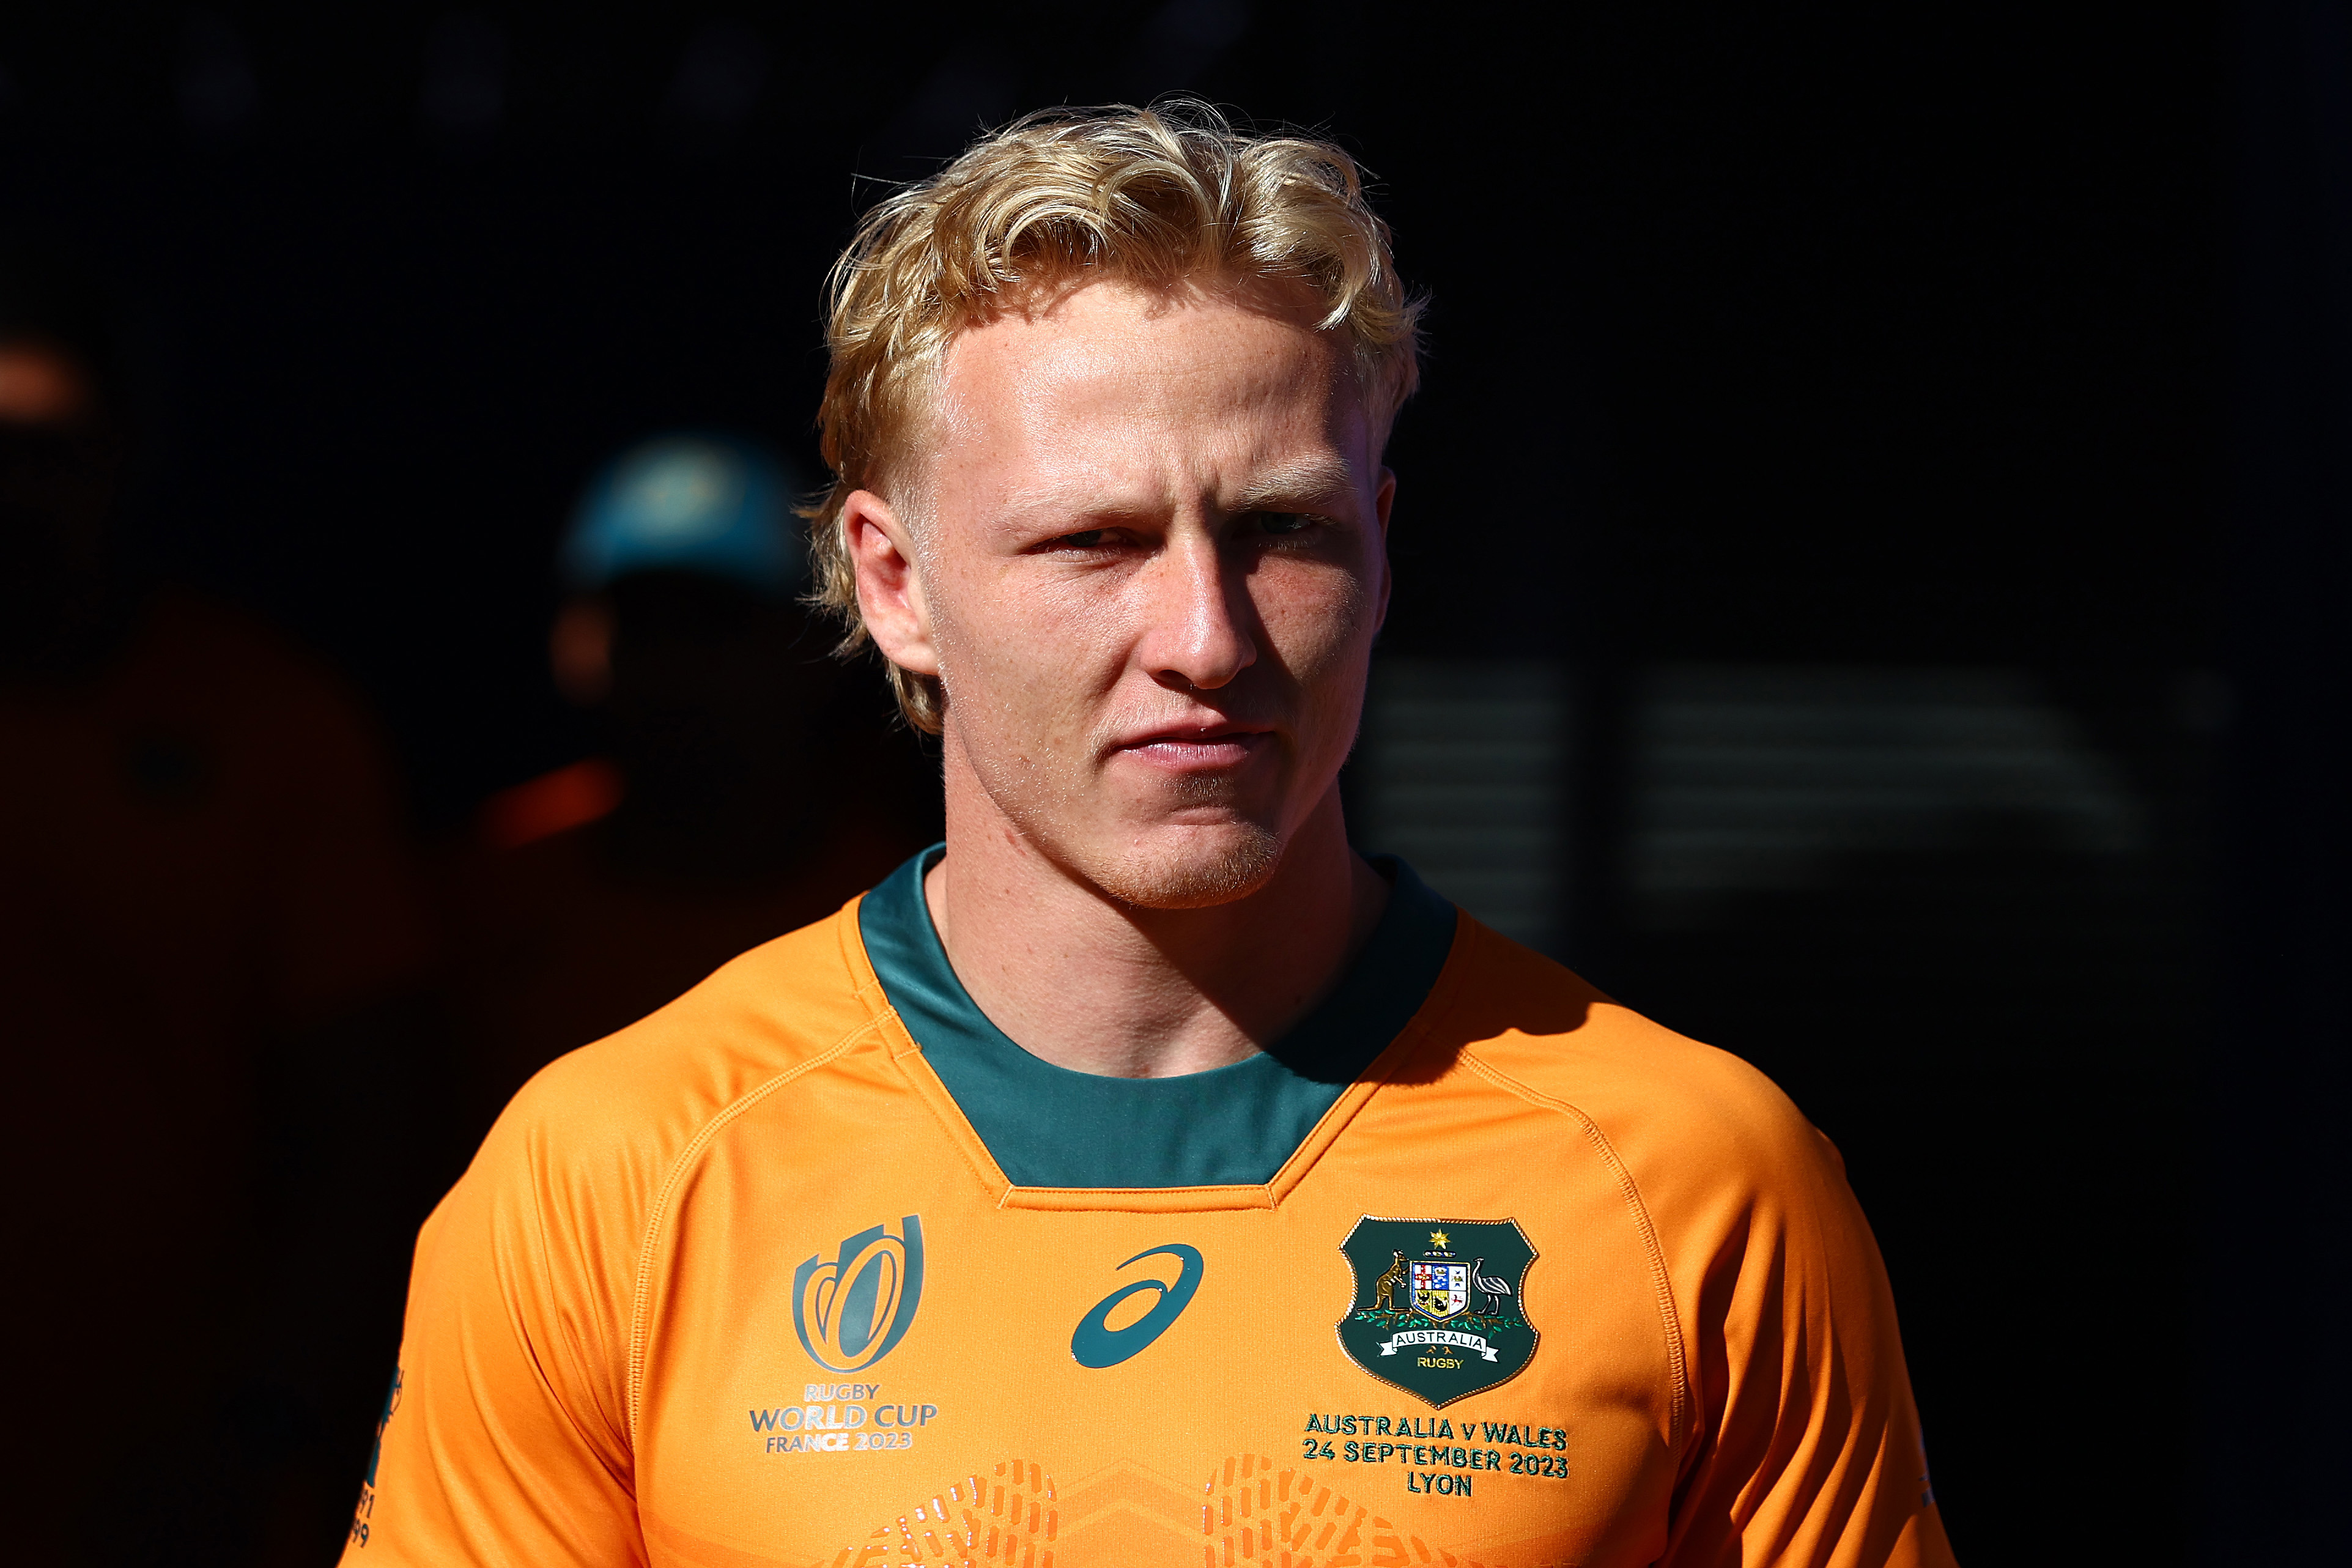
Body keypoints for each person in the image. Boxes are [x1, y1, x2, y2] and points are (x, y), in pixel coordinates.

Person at [349, 105, 1958, 1567]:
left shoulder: (1691, 1174)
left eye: (1279, 530)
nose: (1204, 633)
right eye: (1092, 539)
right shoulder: (613, 1174)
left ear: (1382, 549)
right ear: (893, 581)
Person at [0, 240, 442, 1563]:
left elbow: (370, 1119)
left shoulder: (268, 727)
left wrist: (266, 1421)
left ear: (124, 463)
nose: (12, 491)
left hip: (164, 1478)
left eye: (51, 449)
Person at [435, 432, 932, 1144]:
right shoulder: (487, 887)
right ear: (578, 648)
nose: (677, 668)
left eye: (715, 623)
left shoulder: (907, 914)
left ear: (820, 647)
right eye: (643, 625)